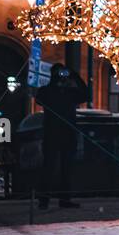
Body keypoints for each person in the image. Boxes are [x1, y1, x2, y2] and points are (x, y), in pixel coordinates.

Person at [34, 63, 88, 209]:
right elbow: (39, 98)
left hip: (66, 132)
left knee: (65, 167)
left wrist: (74, 76)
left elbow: (85, 94)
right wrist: (69, 78)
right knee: (50, 166)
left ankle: (61, 199)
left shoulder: (69, 92)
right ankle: (45, 199)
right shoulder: (49, 91)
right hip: (54, 132)